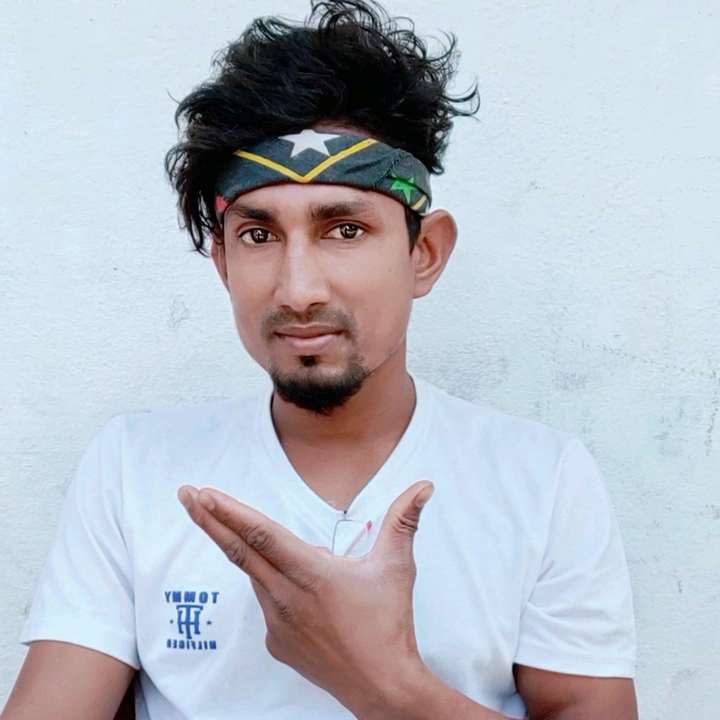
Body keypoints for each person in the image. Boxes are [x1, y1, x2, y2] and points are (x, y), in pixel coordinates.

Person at [3, 1, 638, 718]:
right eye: (258, 235)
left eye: (345, 229)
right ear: (222, 261)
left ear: (424, 254)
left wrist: (384, 684)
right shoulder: (135, 468)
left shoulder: (541, 478)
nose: (298, 289)